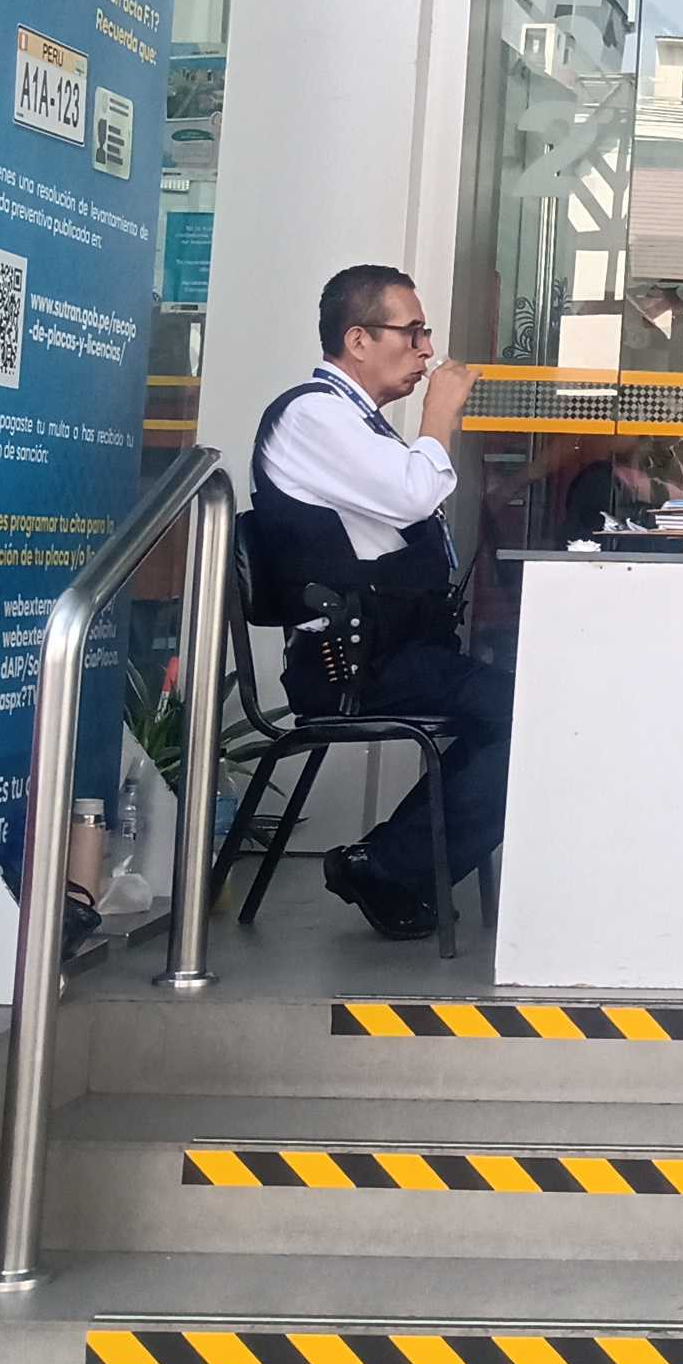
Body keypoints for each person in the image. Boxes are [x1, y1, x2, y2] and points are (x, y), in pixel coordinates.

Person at [247, 263, 509, 940]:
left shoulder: (357, 424)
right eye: (412, 332)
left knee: (522, 716)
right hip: (352, 666)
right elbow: (413, 494)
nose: (427, 350)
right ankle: (390, 868)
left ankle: (390, 864)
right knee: (533, 716)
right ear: (358, 339)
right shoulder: (313, 416)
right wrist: (440, 415)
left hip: (394, 653)